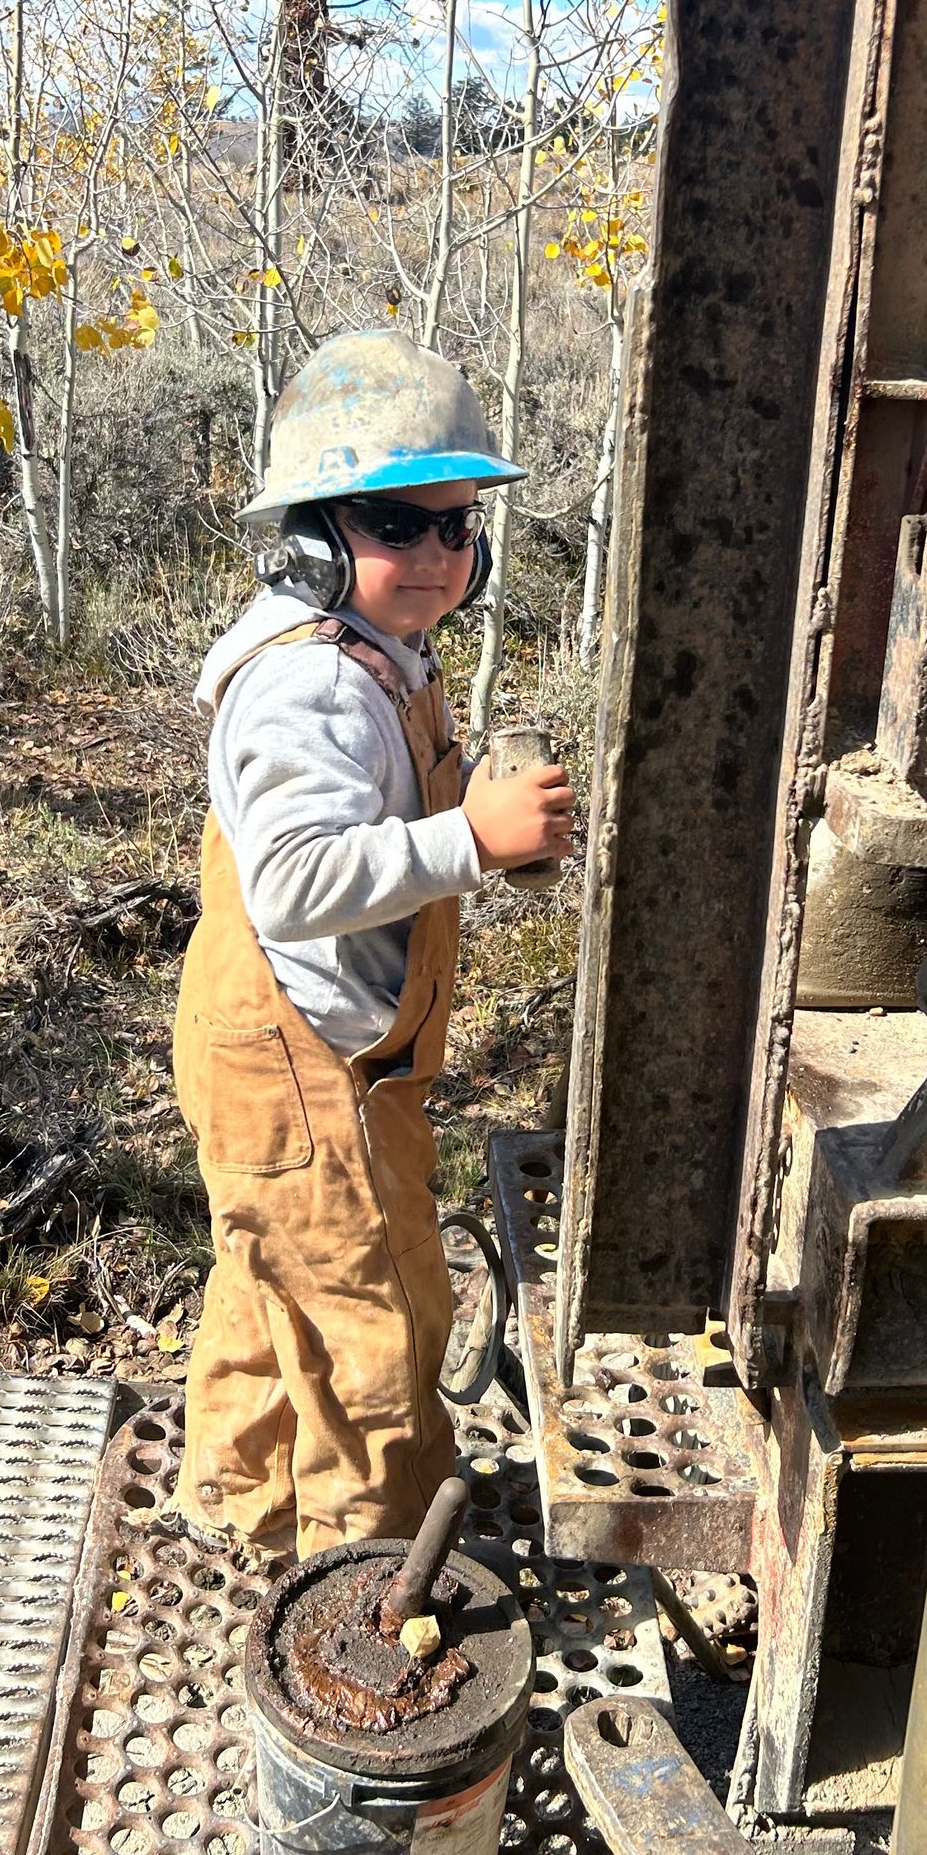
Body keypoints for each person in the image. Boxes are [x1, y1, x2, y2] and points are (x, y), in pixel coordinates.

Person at [168, 332, 575, 1561]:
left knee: (275, 1277)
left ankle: (241, 1504)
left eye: (462, 528)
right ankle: (370, 1584)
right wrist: (468, 840)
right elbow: (294, 883)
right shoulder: (311, 686)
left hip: (307, 1047)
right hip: (302, 1067)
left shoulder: (375, 650)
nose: (441, 558)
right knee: (378, 1331)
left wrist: (481, 837)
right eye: (401, 526)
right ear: (313, 535)